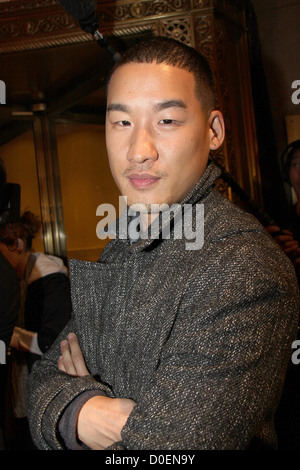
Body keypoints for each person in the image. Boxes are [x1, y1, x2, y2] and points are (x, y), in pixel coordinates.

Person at [27, 37, 299, 450]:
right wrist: (85, 410)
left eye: (167, 121)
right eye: (121, 122)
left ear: (213, 131)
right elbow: (44, 379)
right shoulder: (124, 242)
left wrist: (81, 403)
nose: (138, 151)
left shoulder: (243, 268)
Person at [0, 211, 72, 449]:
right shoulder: (15, 280)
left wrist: (11, 336)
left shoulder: (49, 280)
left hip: (46, 391)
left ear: (16, 245)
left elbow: (53, 343)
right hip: (21, 392)